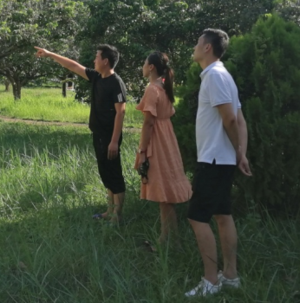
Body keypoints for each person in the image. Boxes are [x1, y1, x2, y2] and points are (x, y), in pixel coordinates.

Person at [185, 29, 252, 298]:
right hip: (221, 159)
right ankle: (231, 276)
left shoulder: (214, 76)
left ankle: (211, 281)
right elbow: (240, 119)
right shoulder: (222, 75)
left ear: (208, 48)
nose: (195, 46)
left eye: (197, 42)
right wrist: (241, 153)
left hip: (213, 159)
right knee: (223, 216)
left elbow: (232, 120)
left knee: (197, 217)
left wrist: (238, 151)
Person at [35, 44, 127, 225]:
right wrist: (50, 53)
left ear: (105, 61)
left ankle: (117, 216)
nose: (94, 60)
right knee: (105, 174)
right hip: (98, 135)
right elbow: (73, 66)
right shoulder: (97, 77)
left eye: (97, 57)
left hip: (110, 137)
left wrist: (114, 141)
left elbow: (121, 112)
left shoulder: (116, 82)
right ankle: (109, 211)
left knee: (114, 175)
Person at [134, 51, 191, 245]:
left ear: (151, 67)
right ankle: (168, 237)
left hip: (158, 141)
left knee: (163, 191)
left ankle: (167, 240)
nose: (142, 66)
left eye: (144, 63)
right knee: (165, 190)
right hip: (168, 138)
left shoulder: (152, 89)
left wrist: (142, 151)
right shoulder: (164, 87)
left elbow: (149, 123)